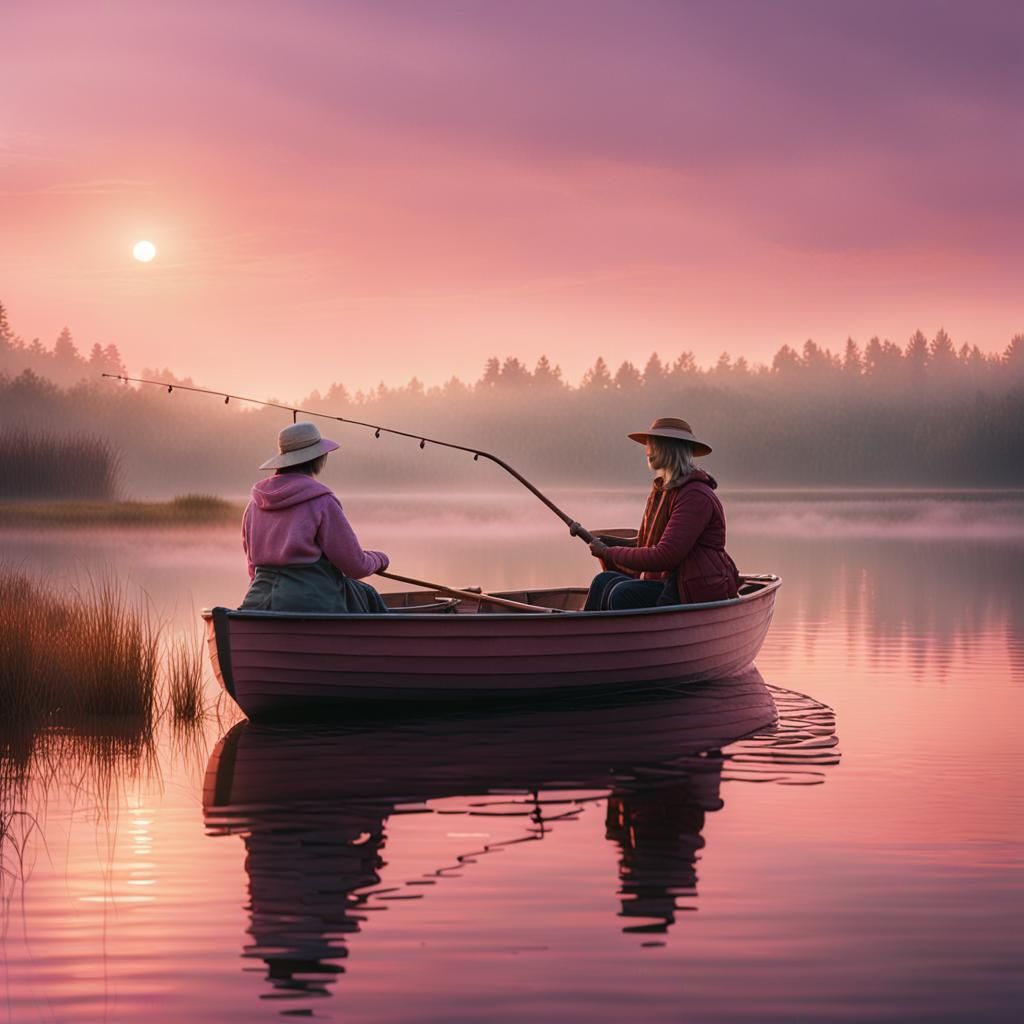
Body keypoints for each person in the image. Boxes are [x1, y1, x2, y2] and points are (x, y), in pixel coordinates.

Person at [584, 417, 739, 611]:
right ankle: (583, 638)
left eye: (654, 444)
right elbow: (646, 544)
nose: (648, 450)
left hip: (692, 588)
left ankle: (610, 640)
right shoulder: (663, 490)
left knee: (621, 593)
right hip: (669, 582)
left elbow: (666, 555)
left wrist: (609, 553)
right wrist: (607, 543)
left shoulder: (695, 496)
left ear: (671, 449)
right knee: (603, 581)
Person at [239, 421, 390, 613]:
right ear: (319, 458)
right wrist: (380, 559)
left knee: (363, 594)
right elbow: (356, 566)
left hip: (257, 602)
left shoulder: (254, 505)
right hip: (312, 601)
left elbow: (252, 569)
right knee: (369, 597)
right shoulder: (322, 501)